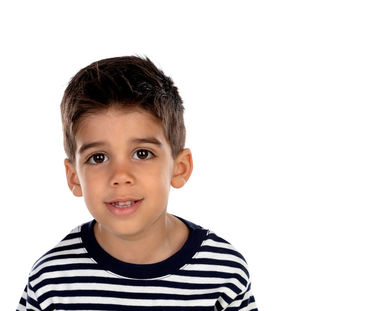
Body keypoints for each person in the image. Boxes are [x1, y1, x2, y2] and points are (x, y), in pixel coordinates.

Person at [16, 56, 258, 311]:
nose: (120, 175)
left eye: (142, 153)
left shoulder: (223, 274)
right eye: (98, 157)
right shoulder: (52, 281)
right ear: (74, 177)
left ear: (180, 168)